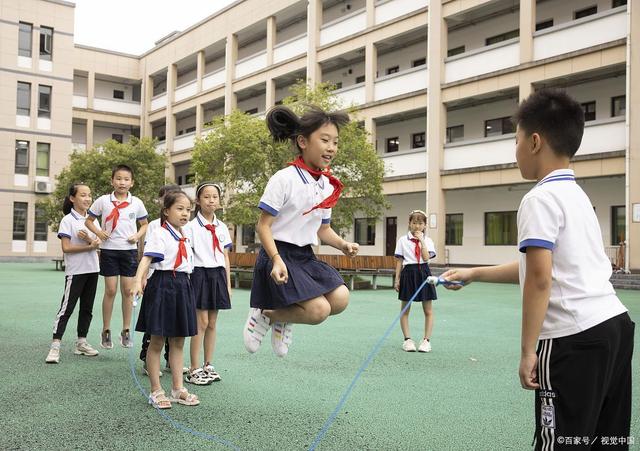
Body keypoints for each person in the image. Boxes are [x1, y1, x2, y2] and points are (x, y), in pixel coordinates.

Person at [441, 90, 634, 449]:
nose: (514, 151)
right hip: (615, 327)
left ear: (534, 142)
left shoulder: (538, 199)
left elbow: (541, 279)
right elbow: (539, 266)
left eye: (514, 140)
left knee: (560, 441)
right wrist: (473, 273)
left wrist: (528, 350)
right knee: (607, 438)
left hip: (573, 338)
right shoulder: (578, 196)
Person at [243, 105, 359, 358]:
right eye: (325, 140)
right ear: (303, 141)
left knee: (340, 299)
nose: (331, 148)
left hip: (304, 257)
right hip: (277, 255)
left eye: (335, 142)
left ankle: (280, 316)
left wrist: (342, 244)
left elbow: (323, 229)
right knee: (318, 311)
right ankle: (265, 313)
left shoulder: (327, 184)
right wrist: (275, 260)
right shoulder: (284, 178)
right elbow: (263, 226)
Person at [131, 190, 199, 408]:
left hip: (183, 285)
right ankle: (156, 390)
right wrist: (137, 279)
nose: (185, 214)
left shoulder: (185, 235)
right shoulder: (160, 233)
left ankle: (177, 388)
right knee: (157, 340)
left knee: (178, 340)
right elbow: (147, 258)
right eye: (179, 209)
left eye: (188, 210)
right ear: (166, 211)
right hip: (162, 286)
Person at [85, 164, 148, 349]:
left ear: (132, 183)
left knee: (128, 292)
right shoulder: (103, 201)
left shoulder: (136, 202)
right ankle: (106, 330)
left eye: (126, 179)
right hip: (109, 250)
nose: (122, 182)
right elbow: (88, 220)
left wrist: (137, 236)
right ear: (112, 181)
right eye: (119, 178)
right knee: (111, 290)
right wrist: (99, 232)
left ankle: (126, 330)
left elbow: (145, 224)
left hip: (128, 251)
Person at [46, 183, 101, 364]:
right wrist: (89, 245)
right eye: (83, 195)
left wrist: (90, 241)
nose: (87, 199)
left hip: (93, 270)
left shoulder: (93, 220)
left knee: (87, 309)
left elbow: (98, 243)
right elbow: (66, 247)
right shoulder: (67, 220)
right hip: (76, 272)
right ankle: (55, 346)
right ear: (72, 198)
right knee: (66, 309)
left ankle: (81, 343)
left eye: (89, 195)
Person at [184, 182, 232, 385]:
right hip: (199, 275)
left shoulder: (222, 227)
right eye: (206, 197)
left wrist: (228, 284)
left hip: (218, 275)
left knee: (212, 323)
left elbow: (226, 257)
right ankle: (194, 368)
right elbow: (187, 255)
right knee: (201, 323)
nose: (211, 200)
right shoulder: (191, 227)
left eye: (215, 197)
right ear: (197, 201)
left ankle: (208, 364)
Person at [139, 184, 181, 377]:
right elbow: (147, 253)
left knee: (174, 326)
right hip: (158, 278)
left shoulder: (184, 227)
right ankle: (147, 359)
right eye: (166, 197)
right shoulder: (156, 226)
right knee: (155, 325)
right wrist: (142, 278)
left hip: (178, 282)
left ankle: (170, 360)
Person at [393, 209, 437, 353]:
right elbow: (399, 261)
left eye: (420, 223)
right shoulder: (402, 240)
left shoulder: (428, 241)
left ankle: (426, 341)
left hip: (424, 273)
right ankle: (407, 340)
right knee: (405, 309)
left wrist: (422, 241)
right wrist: (397, 279)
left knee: (428, 310)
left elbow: (426, 258)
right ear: (409, 224)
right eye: (414, 223)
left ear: (425, 225)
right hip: (408, 273)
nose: (417, 226)